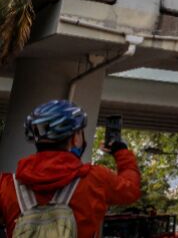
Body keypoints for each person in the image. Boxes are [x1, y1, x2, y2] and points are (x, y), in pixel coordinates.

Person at [0, 100, 142, 238]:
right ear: (75, 138)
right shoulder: (95, 179)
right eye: (80, 132)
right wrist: (121, 152)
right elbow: (131, 190)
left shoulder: (6, 185)